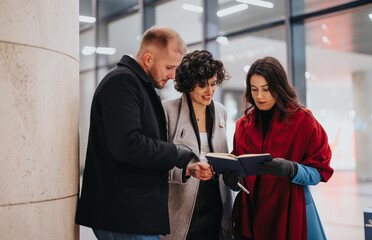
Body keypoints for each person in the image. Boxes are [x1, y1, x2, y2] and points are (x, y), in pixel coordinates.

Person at [75, 26, 197, 240]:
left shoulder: (137, 85)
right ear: (148, 59)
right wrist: (175, 153)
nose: (172, 75)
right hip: (123, 218)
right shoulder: (122, 82)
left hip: (131, 218)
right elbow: (127, 144)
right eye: (169, 67)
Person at [223, 56, 334, 240]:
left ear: (279, 87)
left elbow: (321, 172)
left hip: (287, 217)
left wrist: (292, 169)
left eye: (266, 89)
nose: (259, 96)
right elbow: (238, 167)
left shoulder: (304, 121)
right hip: (248, 221)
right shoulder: (243, 125)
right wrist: (232, 181)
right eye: (254, 89)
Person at [161, 50, 234, 240]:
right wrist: (186, 171)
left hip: (215, 201)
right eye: (202, 85)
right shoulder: (167, 111)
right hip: (181, 207)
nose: (209, 91)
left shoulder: (220, 112)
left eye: (213, 84)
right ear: (188, 84)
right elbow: (157, 162)